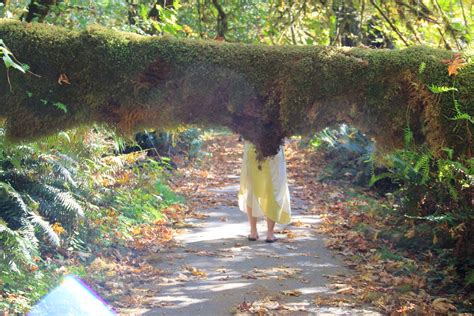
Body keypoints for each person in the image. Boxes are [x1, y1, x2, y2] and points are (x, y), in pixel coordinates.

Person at [238, 140, 291, 243]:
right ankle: (270, 234)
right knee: (274, 191)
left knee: (252, 190)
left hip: (253, 149)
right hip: (274, 150)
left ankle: (253, 232)